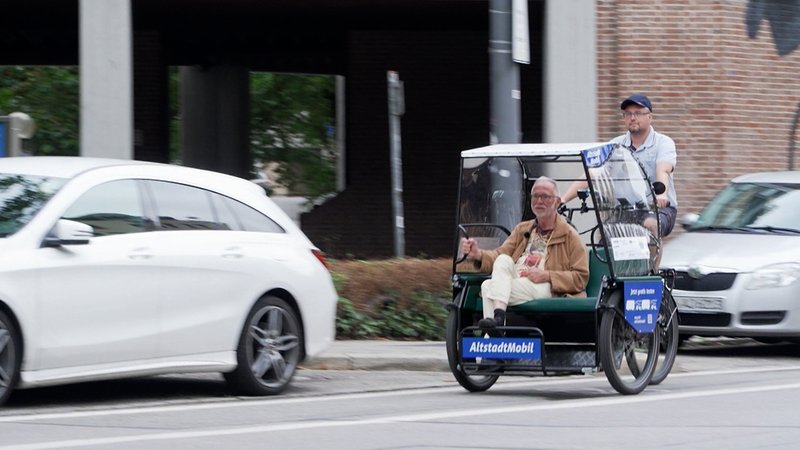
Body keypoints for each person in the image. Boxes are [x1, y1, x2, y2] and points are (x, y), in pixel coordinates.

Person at [460, 177, 589, 328]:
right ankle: (498, 322)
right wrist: (478, 254)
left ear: (557, 202)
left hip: (546, 286)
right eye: (535, 196)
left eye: (545, 196)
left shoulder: (570, 235)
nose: (539, 201)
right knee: (502, 260)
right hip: (518, 279)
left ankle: (495, 330)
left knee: (488, 287)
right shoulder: (522, 229)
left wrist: (547, 275)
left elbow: (580, 278)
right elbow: (499, 255)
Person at [562, 93, 678, 257]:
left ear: (650, 117)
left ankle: (651, 270)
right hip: (624, 209)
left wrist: (661, 195)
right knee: (603, 239)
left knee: (651, 224)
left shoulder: (663, 143)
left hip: (657, 209)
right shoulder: (614, 146)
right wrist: (563, 199)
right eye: (628, 114)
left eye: (638, 113)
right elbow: (593, 173)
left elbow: (663, 169)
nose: (632, 118)